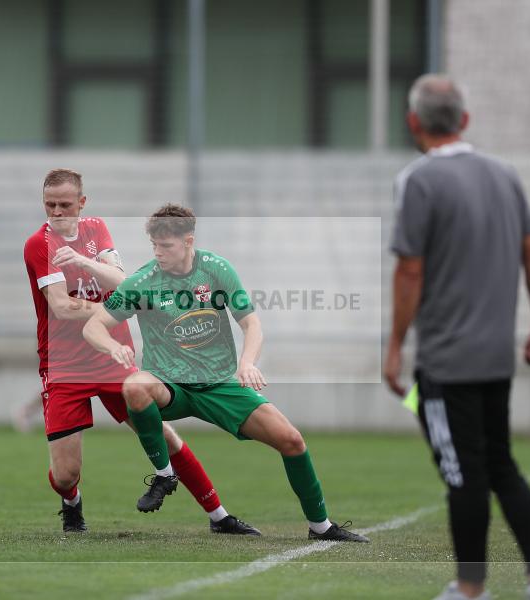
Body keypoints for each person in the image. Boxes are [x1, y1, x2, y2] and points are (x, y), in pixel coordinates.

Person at [383, 75, 530, 600]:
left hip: (446, 362)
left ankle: (470, 589)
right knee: (500, 464)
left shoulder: (417, 181)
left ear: (413, 122)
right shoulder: (505, 175)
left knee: (461, 475)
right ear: (465, 120)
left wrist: (395, 346)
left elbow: (410, 272)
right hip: (495, 356)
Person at [82, 204, 368, 543]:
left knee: (291, 441)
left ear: (188, 241)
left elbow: (251, 323)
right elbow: (94, 326)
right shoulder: (142, 281)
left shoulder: (216, 270)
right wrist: (110, 346)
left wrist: (247, 363)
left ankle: (321, 526)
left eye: (167, 246)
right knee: (135, 386)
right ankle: (164, 474)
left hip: (218, 384)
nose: (159, 253)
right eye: (154, 245)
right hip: (169, 384)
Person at [23, 169, 259, 536]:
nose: (56, 211)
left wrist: (97, 277)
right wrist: (115, 309)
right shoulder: (39, 245)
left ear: (81, 203)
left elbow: (122, 280)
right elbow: (61, 307)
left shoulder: (96, 229)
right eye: (50, 204)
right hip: (65, 364)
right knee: (66, 473)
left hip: (113, 354)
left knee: (164, 434)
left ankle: (219, 515)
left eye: (65, 204)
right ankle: (71, 501)